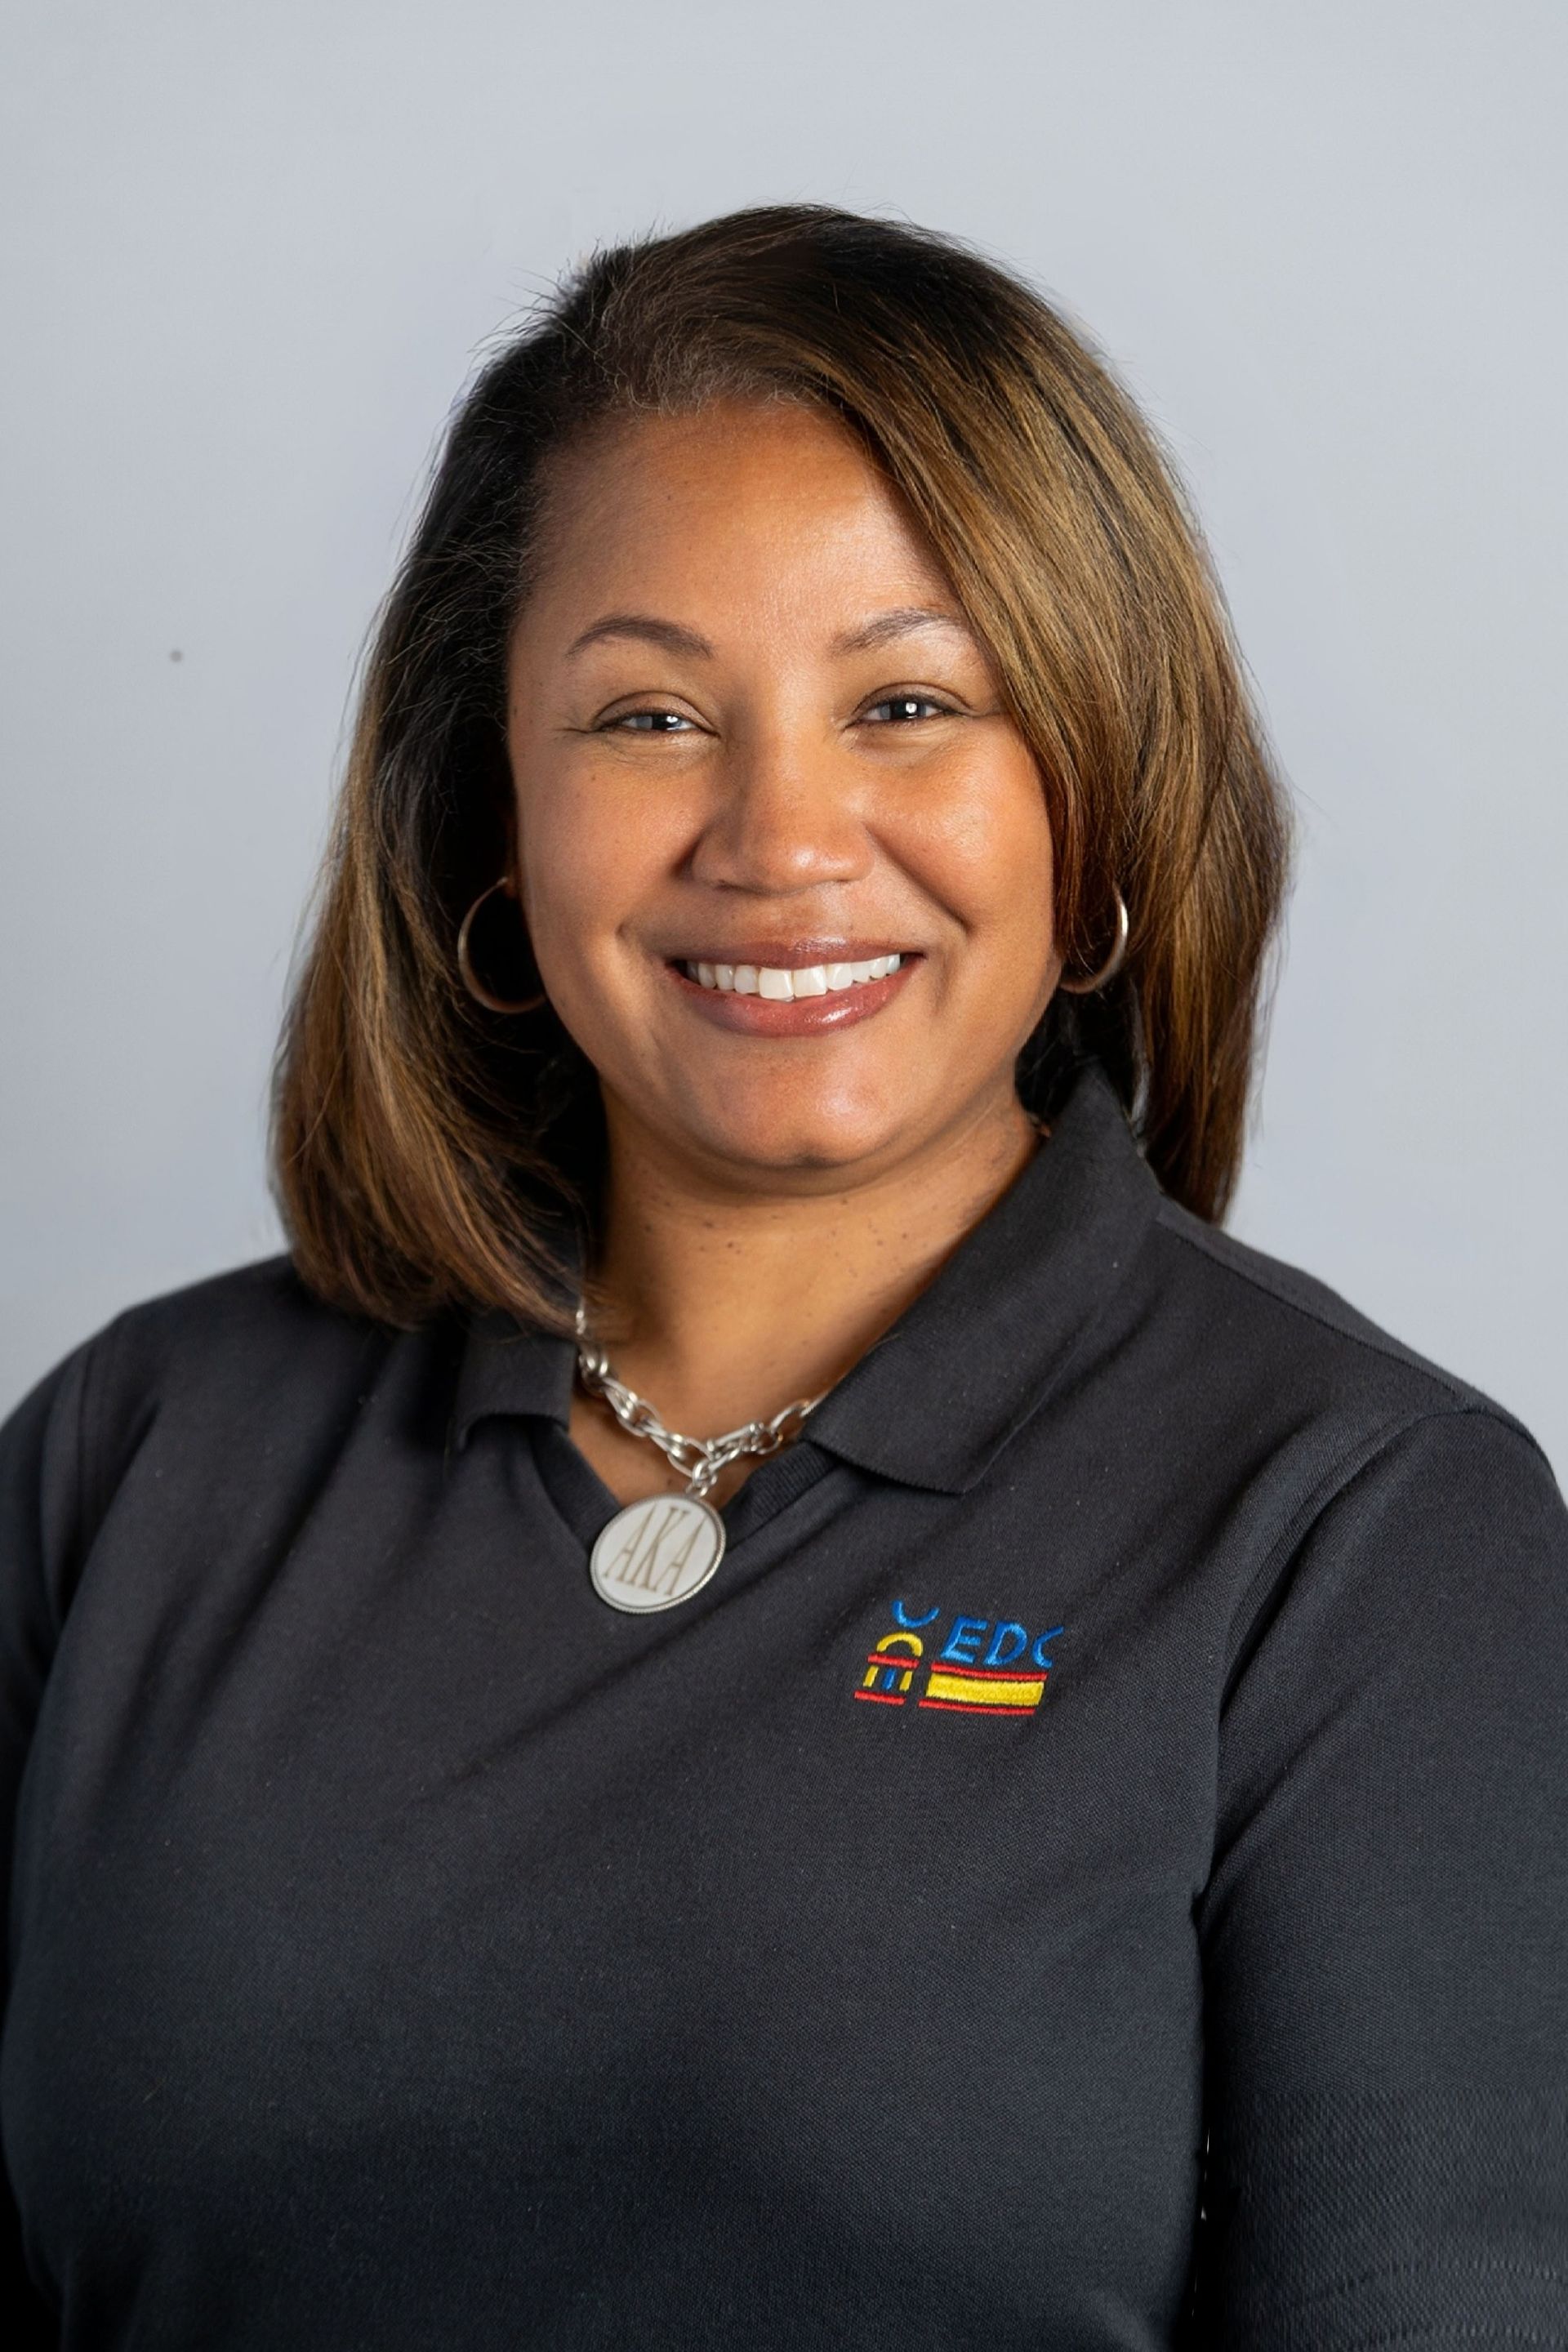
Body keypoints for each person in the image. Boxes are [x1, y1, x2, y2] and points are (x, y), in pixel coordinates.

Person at [1, 205, 1564, 2350]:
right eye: (650, 716)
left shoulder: (1361, 1530)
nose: (782, 840)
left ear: (1099, 796)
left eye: (908, 702)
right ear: (491, 814)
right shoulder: (133, 1457)